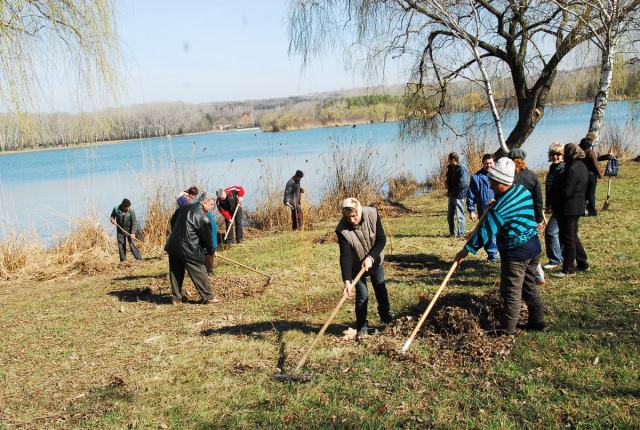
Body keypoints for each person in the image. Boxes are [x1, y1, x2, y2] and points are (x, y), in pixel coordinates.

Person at [455, 157, 546, 335]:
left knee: (511, 292)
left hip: (517, 254)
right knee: (528, 286)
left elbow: (485, 232)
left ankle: (506, 331)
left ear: (503, 183)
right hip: (533, 248)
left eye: (493, 183)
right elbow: (514, 209)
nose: (489, 186)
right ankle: (538, 322)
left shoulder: (501, 207)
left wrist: (464, 252)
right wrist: (497, 201)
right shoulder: (521, 190)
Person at [337, 197, 392, 338]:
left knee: (380, 287)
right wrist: (347, 281)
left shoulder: (372, 214)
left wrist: (370, 257)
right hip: (357, 267)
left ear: (360, 211)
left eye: (354, 216)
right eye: (348, 217)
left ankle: (386, 316)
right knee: (363, 294)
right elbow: (345, 257)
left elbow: (381, 239)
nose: (352, 219)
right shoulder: (342, 230)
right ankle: (362, 326)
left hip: (375, 260)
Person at [164, 192, 222, 305]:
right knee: (200, 271)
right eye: (210, 204)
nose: (212, 207)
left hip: (174, 245)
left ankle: (176, 299)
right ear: (204, 202)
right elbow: (207, 239)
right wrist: (212, 251)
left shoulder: (184, 207)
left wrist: (176, 233)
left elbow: (173, 220)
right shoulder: (204, 218)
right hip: (189, 249)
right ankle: (209, 297)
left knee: (176, 272)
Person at [509, 148, 545, 286]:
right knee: (531, 245)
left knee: (519, 247)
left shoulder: (510, 178)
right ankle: (539, 276)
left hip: (515, 217)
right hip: (530, 217)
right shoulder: (532, 175)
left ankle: (521, 276)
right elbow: (538, 199)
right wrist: (539, 218)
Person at [553, 143, 590, 277]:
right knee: (573, 236)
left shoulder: (572, 169)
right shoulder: (582, 166)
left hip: (568, 208)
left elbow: (566, 191)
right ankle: (583, 263)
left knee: (567, 238)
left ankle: (568, 268)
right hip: (578, 206)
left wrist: (556, 195)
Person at [466, 153, 499, 262]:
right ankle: (492, 256)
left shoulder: (499, 175)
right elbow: (471, 195)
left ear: (494, 163)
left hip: (499, 209)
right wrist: (471, 210)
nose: (488, 165)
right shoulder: (476, 177)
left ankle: (504, 255)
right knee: (488, 232)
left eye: (490, 163)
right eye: (486, 163)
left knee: (500, 232)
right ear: (483, 164)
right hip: (484, 210)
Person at [543, 143, 565, 270]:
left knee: (550, 231)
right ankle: (560, 257)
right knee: (559, 232)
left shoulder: (563, 169)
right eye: (553, 154)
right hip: (555, 206)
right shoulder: (552, 168)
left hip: (563, 206)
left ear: (563, 155)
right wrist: (548, 206)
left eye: (558, 154)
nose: (555, 157)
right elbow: (549, 189)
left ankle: (555, 259)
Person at [110, 198, 143, 263]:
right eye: (127, 207)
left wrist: (133, 233)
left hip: (129, 230)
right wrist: (112, 220)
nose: (128, 208)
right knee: (121, 245)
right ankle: (123, 260)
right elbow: (112, 216)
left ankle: (139, 258)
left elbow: (134, 223)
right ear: (123, 206)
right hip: (120, 230)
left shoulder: (131, 211)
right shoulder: (116, 209)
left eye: (129, 207)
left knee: (132, 244)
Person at [445, 152, 468, 238]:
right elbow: (448, 178)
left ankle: (461, 234)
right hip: (451, 194)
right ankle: (452, 233)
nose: (448, 161)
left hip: (459, 195)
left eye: (449, 160)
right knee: (450, 215)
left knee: (460, 215)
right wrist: (447, 184)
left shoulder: (462, 169)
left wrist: (454, 191)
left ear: (453, 160)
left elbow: (463, 184)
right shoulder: (451, 168)